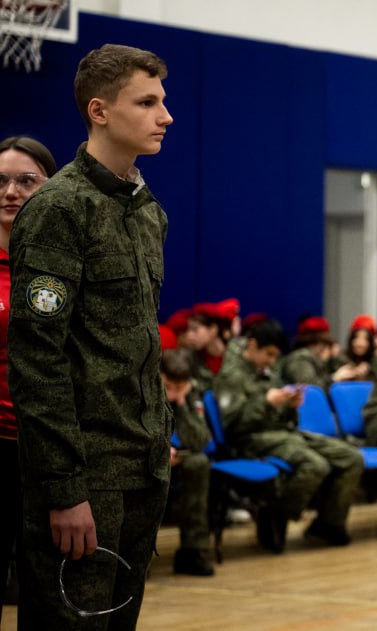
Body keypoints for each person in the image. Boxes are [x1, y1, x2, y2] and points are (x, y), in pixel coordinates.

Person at [9, 44, 173, 629]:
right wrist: (63, 488)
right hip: (86, 477)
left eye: (162, 101)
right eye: (146, 102)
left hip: (142, 468)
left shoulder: (148, 211)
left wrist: (159, 439)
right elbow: (37, 359)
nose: (165, 115)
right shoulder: (59, 209)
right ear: (99, 111)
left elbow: (139, 344)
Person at [213, 318, 363, 552]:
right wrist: (266, 402)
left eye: (275, 356)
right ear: (252, 345)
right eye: (269, 354)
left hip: (285, 434)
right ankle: (273, 514)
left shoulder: (269, 371)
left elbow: (285, 420)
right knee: (315, 465)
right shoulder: (232, 376)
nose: (272, 361)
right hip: (252, 439)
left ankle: (328, 524)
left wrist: (289, 405)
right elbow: (232, 425)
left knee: (351, 458)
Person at [0, 135, 56, 625]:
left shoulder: (62, 265)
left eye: (26, 180)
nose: (10, 192)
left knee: (45, 597)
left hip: (49, 453)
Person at [159, 349, 216, 576]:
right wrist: (159, 454)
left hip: (179, 457)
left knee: (199, 463)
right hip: (149, 456)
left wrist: (181, 404)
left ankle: (192, 551)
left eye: (180, 386)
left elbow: (201, 440)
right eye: (169, 385)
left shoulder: (191, 394)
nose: (173, 391)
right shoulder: (145, 389)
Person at [335, 316, 377, 446]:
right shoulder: (341, 360)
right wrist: (337, 377)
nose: (360, 343)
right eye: (356, 337)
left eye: (365, 339)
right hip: (364, 420)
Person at [280, 315, 339, 387]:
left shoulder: (320, 357)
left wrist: (335, 358)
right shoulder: (300, 358)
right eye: (325, 342)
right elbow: (310, 388)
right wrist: (333, 378)